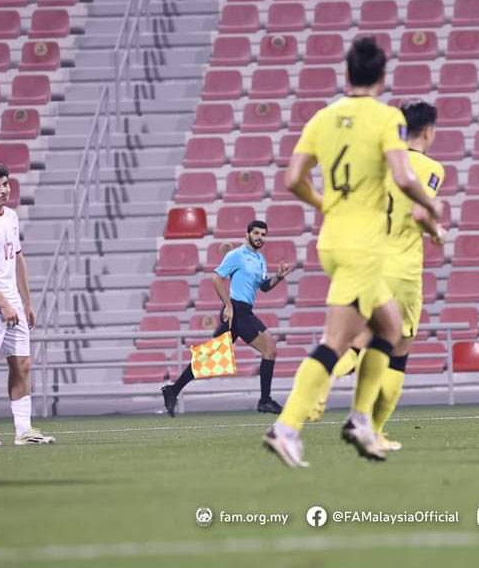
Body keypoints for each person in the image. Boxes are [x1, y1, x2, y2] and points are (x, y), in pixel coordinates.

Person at [264, 37, 442, 467]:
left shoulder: (322, 118)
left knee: (389, 327)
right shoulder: (387, 118)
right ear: (382, 76)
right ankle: (286, 427)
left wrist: (324, 203)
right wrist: (431, 202)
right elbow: (402, 176)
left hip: (333, 237)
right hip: (363, 244)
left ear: (347, 74)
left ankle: (360, 421)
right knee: (337, 340)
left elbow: (292, 179)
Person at [308, 101, 446, 453]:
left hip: (367, 262)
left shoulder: (381, 164)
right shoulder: (430, 167)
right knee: (397, 353)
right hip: (401, 271)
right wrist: (437, 230)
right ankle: (375, 430)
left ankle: (323, 379)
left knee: (358, 340)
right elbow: (418, 211)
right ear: (429, 131)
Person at [161, 220, 292, 416]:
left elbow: (263, 287)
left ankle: (173, 389)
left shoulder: (260, 259)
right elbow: (217, 278)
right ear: (247, 234)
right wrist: (229, 305)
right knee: (270, 348)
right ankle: (265, 400)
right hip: (237, 311)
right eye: (256, 233)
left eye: (263, 234)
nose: (260, 237)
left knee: (210, 356)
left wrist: (278, 277)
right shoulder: (236, 255)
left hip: (243, 311)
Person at [0, 162, 54, 447]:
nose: (3, 190)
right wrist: (2, 302)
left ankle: (24, 431)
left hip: (13, 303)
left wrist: (26, 302)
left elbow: (18, 259)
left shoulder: (12, 217)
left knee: (23, 364)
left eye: (6, 184)